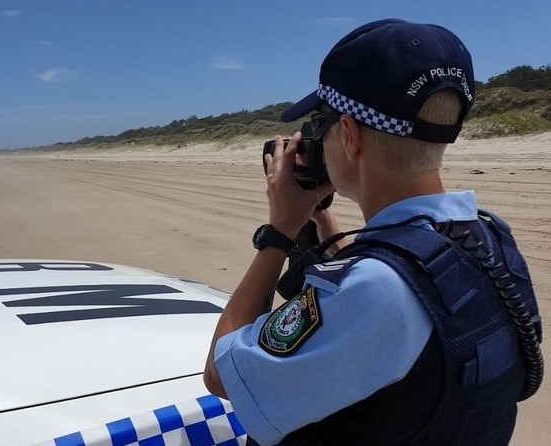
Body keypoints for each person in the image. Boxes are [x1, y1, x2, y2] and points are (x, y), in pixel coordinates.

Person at [203, 18, 543, 446]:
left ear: (348, 135)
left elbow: (222, 376)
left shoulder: (375, 290)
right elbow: (405, 288)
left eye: (320, 125)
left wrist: (280, 231)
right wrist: (320, 217)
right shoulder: (490, 239)